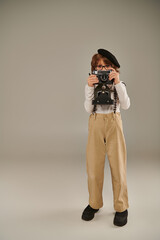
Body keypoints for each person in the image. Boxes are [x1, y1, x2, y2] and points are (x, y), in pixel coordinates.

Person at [81, 49, 130, 227]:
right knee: (93, 167)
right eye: (98, 67)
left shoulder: (119, 83)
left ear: (114, 68)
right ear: (93, 70)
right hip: (95, 123)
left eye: (106, 66)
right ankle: (94, 204)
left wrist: (117, 83)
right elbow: (88, 109)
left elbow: (126, 105)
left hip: (113, 122)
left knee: (118, 166)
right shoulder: (92, 85)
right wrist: (89, 87)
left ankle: (121, 206)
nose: (102, 70)